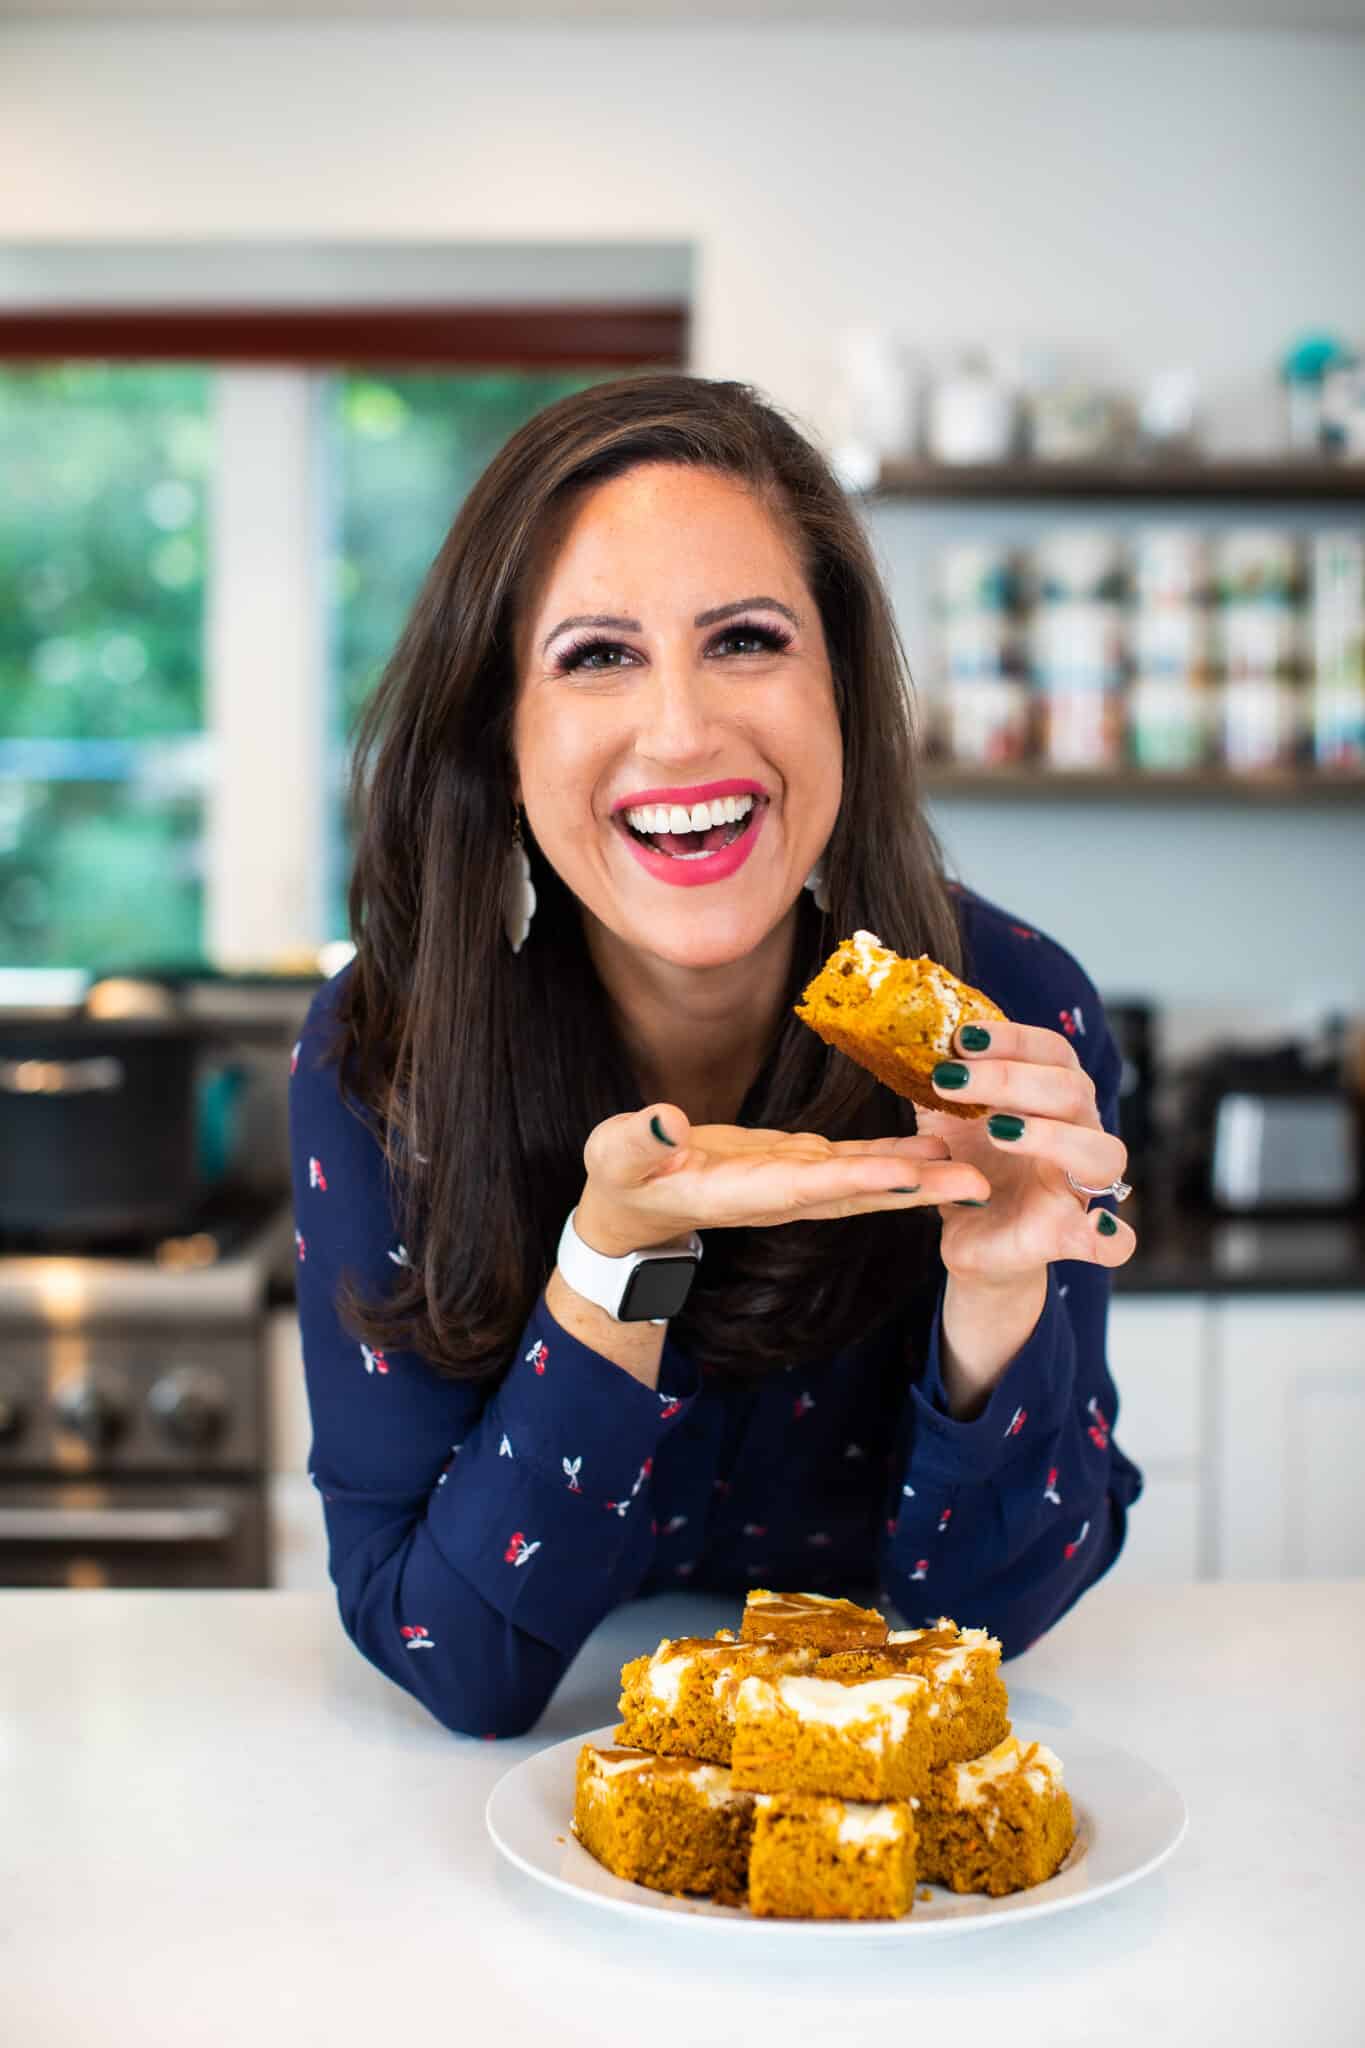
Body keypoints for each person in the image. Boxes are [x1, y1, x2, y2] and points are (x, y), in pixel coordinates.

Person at [288, 372, 1141, 1739]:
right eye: (595, 655)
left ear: (842, 696)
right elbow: (451, 1661)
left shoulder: (1015, 1010)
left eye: (744, 639)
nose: (680, 729)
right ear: (499, 737)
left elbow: (981, 1636)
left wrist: (995, 1291)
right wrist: (612, 1258)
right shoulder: (385, 1058)